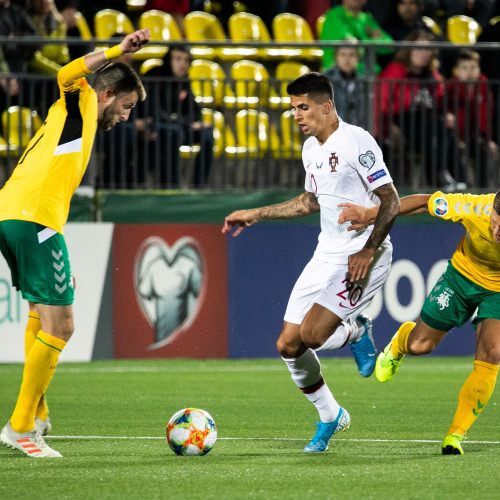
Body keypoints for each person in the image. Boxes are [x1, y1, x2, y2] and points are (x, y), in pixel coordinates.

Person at [222, 72, 400, 453]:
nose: (298, 116)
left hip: (364, 253)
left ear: (327, 106)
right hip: (326, 253)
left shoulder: (357, 141)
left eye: (303, 107)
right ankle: (330, 415)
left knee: (314, 336)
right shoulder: (310, 149)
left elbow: (391, 200)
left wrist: (367, 250)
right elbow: (309, 202)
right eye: (293, 109)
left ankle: (354, 330)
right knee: (288, 344)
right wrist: (256, 213)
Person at [0, 28, 151, 458]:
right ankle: (20, 426)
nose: (125, 117)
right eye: (126, 106)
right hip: (34, 217)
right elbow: (67, 73)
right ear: (107, 95)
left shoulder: (72, 120)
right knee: (62, 325)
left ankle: (37, 413)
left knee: (39, 311)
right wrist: (119, 51)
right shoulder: (82, 99)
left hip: (13, 213)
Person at [338, 189, 500, 455]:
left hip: (498, 291)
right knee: (421, 346)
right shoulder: (473, 208)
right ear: (492, 211)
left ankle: (455, 435)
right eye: (496, 222)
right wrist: (370, 214)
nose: (498, 230)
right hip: (461, 279)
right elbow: (426, 203)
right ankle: (401, 341)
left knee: (492, 353)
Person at [376, 29, 466, 191]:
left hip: (428, 124)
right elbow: (381, 104)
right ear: (409, 50)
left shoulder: (432, 74)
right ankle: (441, 175)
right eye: (419, 48)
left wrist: (447, 114)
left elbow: (440, 101)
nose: (423, 53)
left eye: (428, 49)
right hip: (401, 122)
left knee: (447, 133)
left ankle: (459, 180)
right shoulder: (395, 70)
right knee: (432, 127)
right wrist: (387, 129)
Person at [145, 45, 214, 188]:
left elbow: (194, 111)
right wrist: (185, 123)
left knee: (207, 134)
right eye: (178, 59)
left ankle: (199, 186)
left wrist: (194, 123)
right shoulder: (155, 76)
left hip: (179, 126)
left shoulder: (184, 81)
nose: (183, 64)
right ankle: (171, 186)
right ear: (168, 60)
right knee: (173, 133)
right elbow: (154, 111)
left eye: (186, 60)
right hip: (156, 126)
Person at [446, 49, 498, 188]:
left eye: (473, 67)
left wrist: (488, 140)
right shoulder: (450, 87)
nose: (469, 72)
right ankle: (461, 187)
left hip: (475, 135)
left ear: (479, 69)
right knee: (454, 148)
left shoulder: (483, 86)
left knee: (482, 149)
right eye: (464, 68)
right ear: (456, 70)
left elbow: (487, 115)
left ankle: (483, 190)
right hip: (455, 135)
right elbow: (445, 112)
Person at [319, 0, 393, 74]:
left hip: (366, 73)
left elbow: (388, 46)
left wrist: (363, 41)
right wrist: (370, 39)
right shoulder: (334, 15)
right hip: (337, 74)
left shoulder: (366, 18)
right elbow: (350, 43)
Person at [323, 42, 367, 128]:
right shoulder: (324, 80)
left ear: (358, 58)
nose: (347, 59)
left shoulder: (363, 82)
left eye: (352, 55)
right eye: (343, 55)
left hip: (356, 134)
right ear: (336, 58)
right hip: (332, 136)